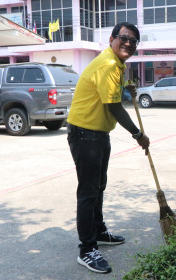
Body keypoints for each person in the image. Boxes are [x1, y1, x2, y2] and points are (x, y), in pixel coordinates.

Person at [66, 22, 149, 274]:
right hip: (85, 134)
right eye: (124, 38)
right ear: (112, 39)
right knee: (89, 192)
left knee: (98, 186)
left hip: (98, 134)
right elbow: (113, 107)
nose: (128, 43)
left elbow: (108, 92)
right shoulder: (108, 64)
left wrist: (126, 88)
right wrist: (138, 134)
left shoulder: (115, 63)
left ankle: (98, 230)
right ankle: (87, 249)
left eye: (133, 41)